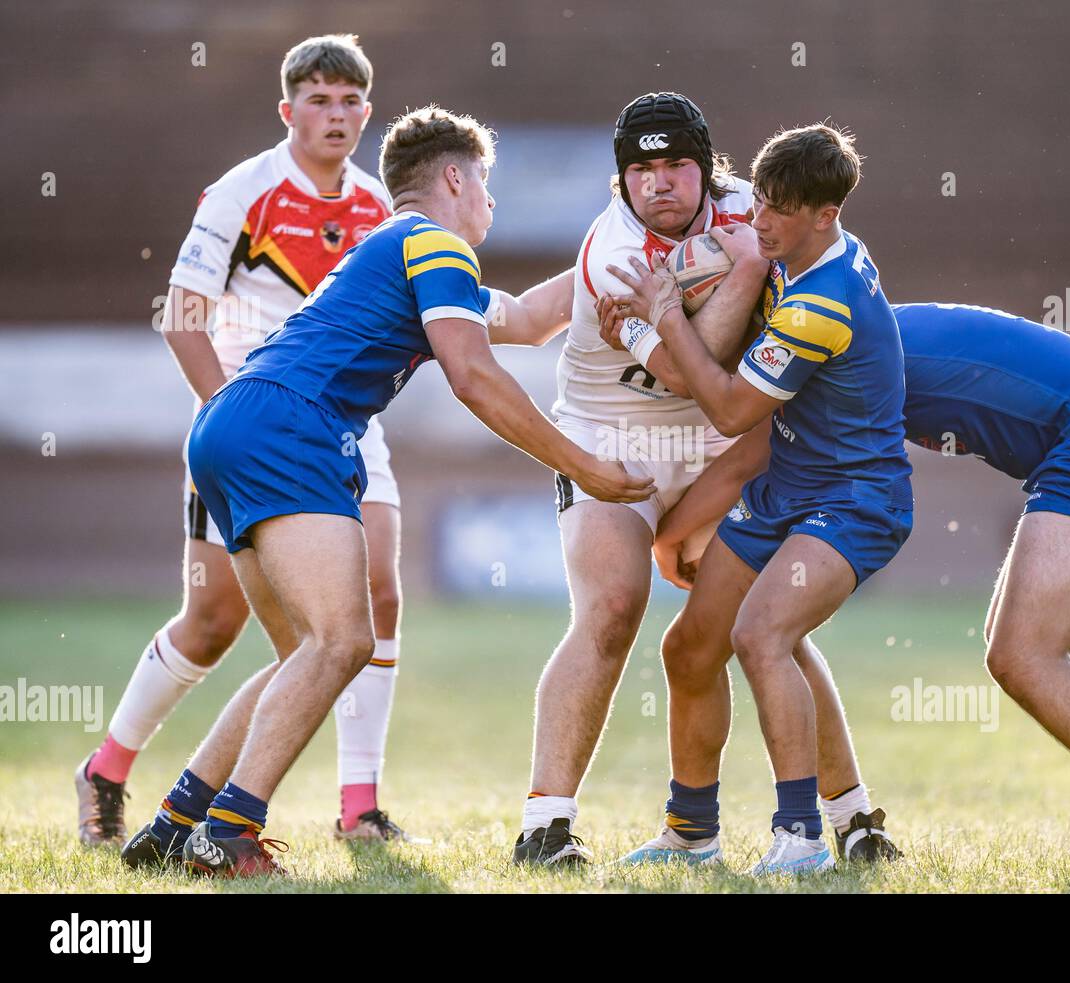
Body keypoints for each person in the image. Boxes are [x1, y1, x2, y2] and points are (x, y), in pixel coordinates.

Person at [120, 102, 652, 877]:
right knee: (346, 642)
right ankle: (229, 833)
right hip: (289, 426)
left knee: (305, 653)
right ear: (454, 177)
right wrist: (585, 466)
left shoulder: (397, 247)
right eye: (487, 186)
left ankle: (175, 824)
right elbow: (473, 375)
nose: (492, 205)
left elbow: (535, 319)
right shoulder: (436, 245)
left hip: (231, 420)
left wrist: (625, 247)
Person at [645, 301, 1070, 872]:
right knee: (1023, 649)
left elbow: (749, 454)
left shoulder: (814, 352)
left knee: (1023, 656)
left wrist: (669, 536)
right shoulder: (837, 328)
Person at [76, 34, 422, 846]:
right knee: (213, 622)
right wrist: (233, 407)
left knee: (379, 595)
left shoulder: (378, 204)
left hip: (341, 429)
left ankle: (358, 806)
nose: (334, 116)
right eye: (318, 99)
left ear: (367, 114)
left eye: (348, 102)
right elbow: (183, 317)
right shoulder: (243, 191)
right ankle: (108, 768)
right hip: (249, 426)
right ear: (287, 109)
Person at [603, 123, 913, 874]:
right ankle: (693, 832)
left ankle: (802, 836)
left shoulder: (820, 303)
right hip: (789, 484)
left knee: (763, 635)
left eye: (777, 209)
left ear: (824, 214)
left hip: (855, 500)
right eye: (761, 201)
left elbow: (733, 411)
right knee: (689, 645)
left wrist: (663, 317)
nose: (759, 220)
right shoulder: (800, 248)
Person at [509, 92, 772, 867]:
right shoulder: (612, 254)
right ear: (621, 181)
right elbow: (694, 374)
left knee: (763, 620)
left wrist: (759, 256)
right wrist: (751, 267)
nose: (659, 182)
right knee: (613, 610)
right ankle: (545, 826)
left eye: (676, 165)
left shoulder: (751, 214)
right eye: (641, 169)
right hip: (610, 439)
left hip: (713, 445)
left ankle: (846, 814)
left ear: (706, 167)